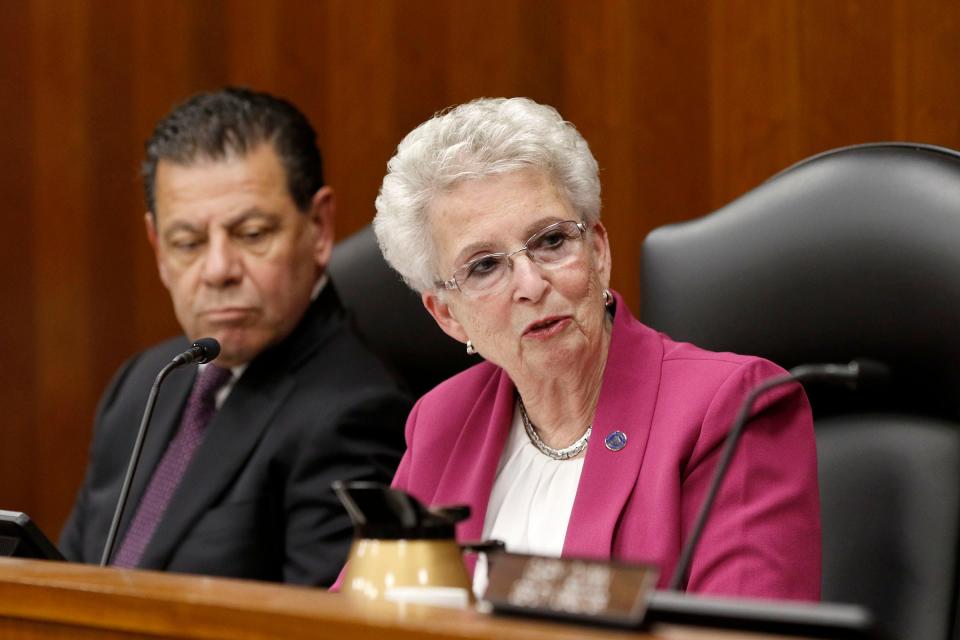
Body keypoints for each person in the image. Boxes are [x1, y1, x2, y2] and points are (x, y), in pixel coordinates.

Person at [370, 97, 821, 600]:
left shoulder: (730, 409)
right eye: (483, 266)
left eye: (551, 241)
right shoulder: (442, 421)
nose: (530, 284)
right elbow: (349, 620)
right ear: (448, 315)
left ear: (598, 253)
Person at [60, 88, 410, 586]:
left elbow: (313, 628)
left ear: (319, 227)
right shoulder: (143, 384)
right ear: (158, 248)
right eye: (188, 243)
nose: (219, 269)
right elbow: (73, 578)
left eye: (251, 234)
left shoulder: (355, 413)